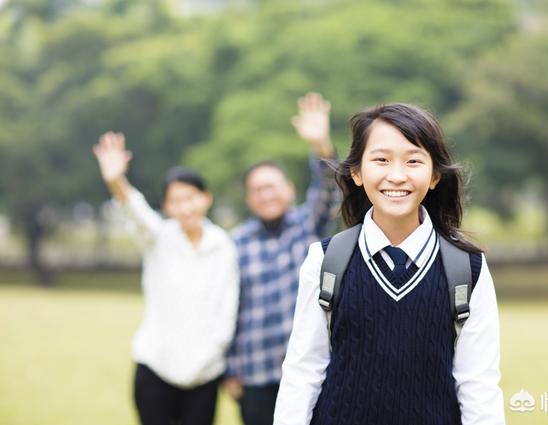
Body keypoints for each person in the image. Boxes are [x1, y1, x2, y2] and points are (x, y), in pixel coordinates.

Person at [273, 103, 505, 424]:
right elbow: (303, 372)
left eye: (413, 161)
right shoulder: (326, 260)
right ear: (356, 172)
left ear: (435, 174)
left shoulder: (468, 268)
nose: (396, 176)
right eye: (381, 159)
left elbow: (478, 384)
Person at [93, 131, 239, 425]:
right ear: (167, 207)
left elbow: (227, 310)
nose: (185, 208)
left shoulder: (223, 245)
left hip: (205, 374)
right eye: (176, 201)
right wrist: (116, 182)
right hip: (155, 368)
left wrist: (211, 359)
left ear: (206, 198)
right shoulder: (158, 238)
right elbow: (136, 212)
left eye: (191, 198)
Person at [223, 92, 341, 425]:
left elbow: (331, 188)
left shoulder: (308, 225)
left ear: (289, 189)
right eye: (257, 190)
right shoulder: (237, 243)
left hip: (311, 369)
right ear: (249, 198)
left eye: (272, 186)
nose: (266, 194)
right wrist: (229, 370)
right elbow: (230, 308)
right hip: (256, 373)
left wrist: (321, 145)